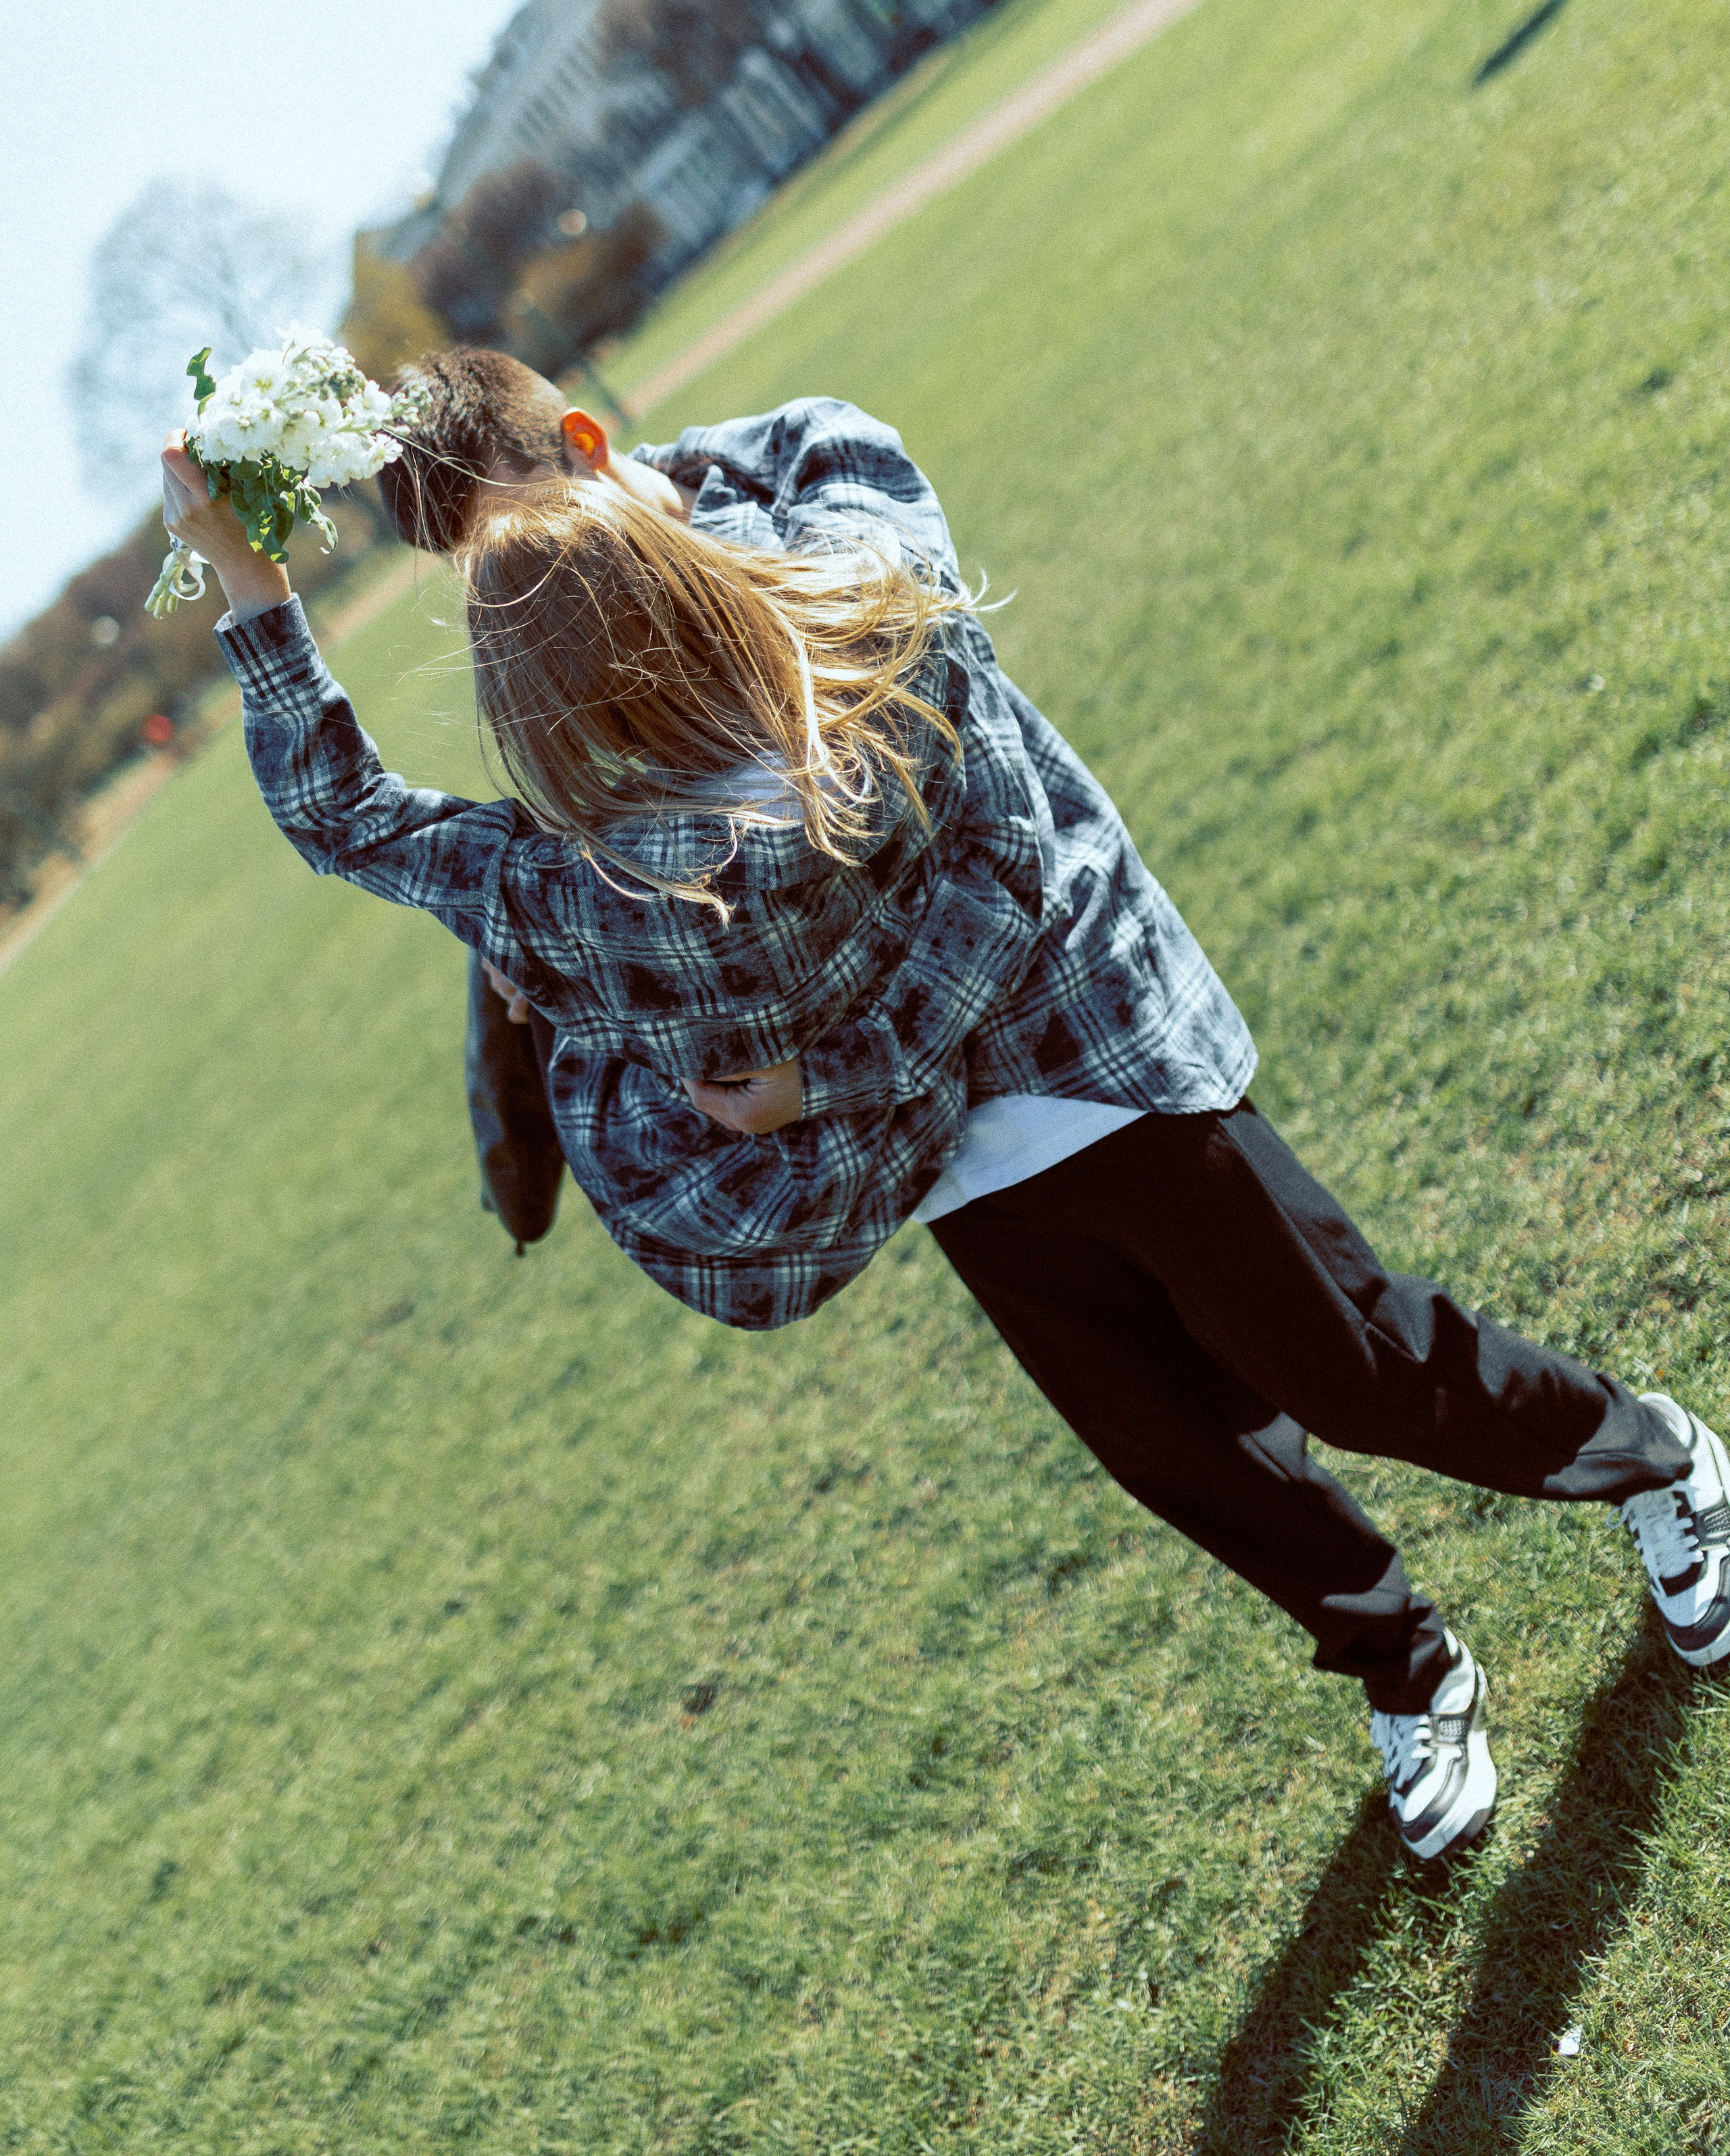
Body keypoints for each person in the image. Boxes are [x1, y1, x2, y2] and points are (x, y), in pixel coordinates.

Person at [160, 366, 1730, 1865]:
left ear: (592, 474)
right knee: (1176, 1447)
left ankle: (1656, 1459)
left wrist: (811, 1081)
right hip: (947, 1170)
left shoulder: (847, 574)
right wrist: (256, 590)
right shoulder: (620, 823)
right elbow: (359, 821)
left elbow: (1009, 881)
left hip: (1102, 1057)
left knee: (1355, 1365)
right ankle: (1403, 1662)